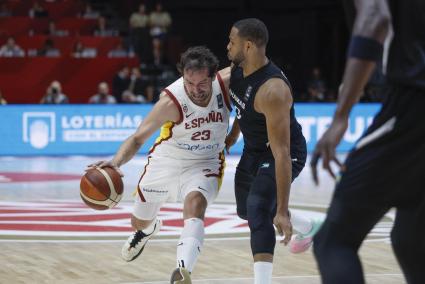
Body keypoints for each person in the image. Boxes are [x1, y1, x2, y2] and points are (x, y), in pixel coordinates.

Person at [88, 46, 231, 283]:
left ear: (213, 76)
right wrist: (115, 162)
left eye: (202, 84)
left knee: (195, 204)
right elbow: (137, 138)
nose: (195, 90)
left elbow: (257, 65)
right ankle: (148, 229)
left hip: (206, 161)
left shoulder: (226, 82)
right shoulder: (171, 101)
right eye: (189, 83)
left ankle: (182, 271)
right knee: (138, 222)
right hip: (166, 161)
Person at [311, 0, 425, 283]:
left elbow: (375, 17)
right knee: (411, 239)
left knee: (334, 242)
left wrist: (341, 116)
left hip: (413, 106)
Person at [225, 18, 321, 284]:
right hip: (253, 150)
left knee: (259, 209)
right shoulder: (237, 70)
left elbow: (281, 153)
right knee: (246, 211)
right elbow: (244, 107)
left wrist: (283, 209)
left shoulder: (273, 90)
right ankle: (309, 226)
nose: (227, 46)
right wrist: (233, 134)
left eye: (231, 42)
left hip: (284, 153)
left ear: (247, 45)